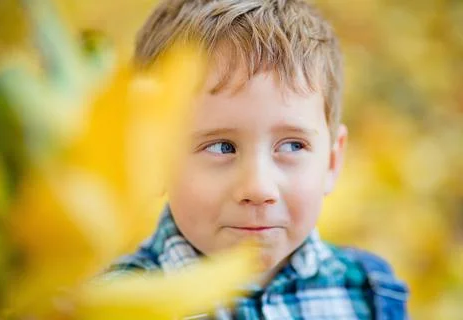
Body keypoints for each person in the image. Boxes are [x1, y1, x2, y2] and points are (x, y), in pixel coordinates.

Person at [109, 0, 409, 318]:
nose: (259, 187)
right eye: (222, 146)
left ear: (332, 163)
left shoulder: (369, 293)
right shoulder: (118, 307)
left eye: (292, 145)